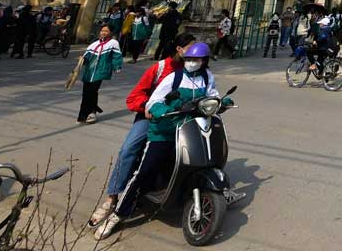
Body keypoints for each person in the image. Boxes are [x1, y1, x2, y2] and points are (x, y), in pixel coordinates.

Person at [95, 42, 229, 240]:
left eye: (196, 59)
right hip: (164, 131)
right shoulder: (174, 78)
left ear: (204, 61)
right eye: (189, 59)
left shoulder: (207, 76)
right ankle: (118, 214)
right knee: (145, 171)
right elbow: (153, 101)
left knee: (200, 157)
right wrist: (161, 109)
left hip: (190, 128)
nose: (192, 62)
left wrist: (222, 102)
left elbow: (212, 96)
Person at [87, 32, 197, 228]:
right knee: (129, 149)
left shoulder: (197, 71)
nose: (195, 53)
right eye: (191, 48)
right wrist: (150, 107)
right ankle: (112, 198)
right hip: (153, 117)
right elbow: (134, 97)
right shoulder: (160, 68)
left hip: (182, 118)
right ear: (179, 49)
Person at [77, 25, 124, 124]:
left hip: (100, 71)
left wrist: (117, 66)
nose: (103, 33)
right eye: (102, 30)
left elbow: (117, 56)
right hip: (89, 71)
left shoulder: (113, 43)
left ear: (111, 33)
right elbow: (87, 56)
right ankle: (83, 116)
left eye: (106, 31)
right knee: (86, 93)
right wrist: (82, 60)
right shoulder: (94, 44)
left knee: (92, 91)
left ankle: (92, 113)